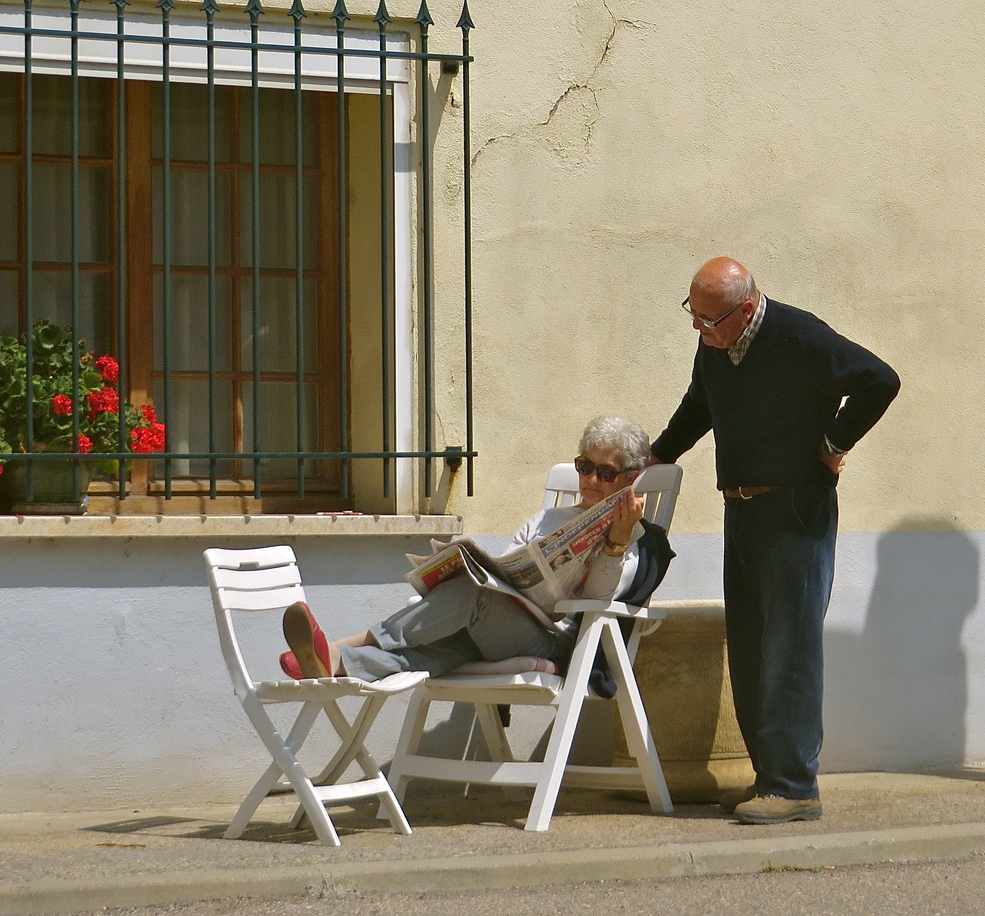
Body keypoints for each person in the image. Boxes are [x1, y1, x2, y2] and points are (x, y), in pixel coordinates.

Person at [649, 257, 899, 825]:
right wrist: (657, 457)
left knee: (790, 648)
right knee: (752, 644)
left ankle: (795, 787)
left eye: (707, 318)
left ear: (745, 309)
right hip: (740, 508)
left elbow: (879, 380)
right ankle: (769, 780)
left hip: (794, 510)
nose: (698, 328)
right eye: (693, 313)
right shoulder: (716, 345)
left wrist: (836, 442)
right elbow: (699, 407)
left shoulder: (798, 334)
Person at [280, 416, 672, 685]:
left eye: (605, 473)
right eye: (585, 466)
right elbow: (508, 565)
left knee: (472, 598)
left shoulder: (637, 539)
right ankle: (335, 665)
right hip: (503, 625)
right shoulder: (547, 519)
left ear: (631, 478)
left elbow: (601, 599)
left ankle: (337, 646)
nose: (590, 479)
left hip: (556, 641)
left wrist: (616, 541)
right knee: (436, 650)